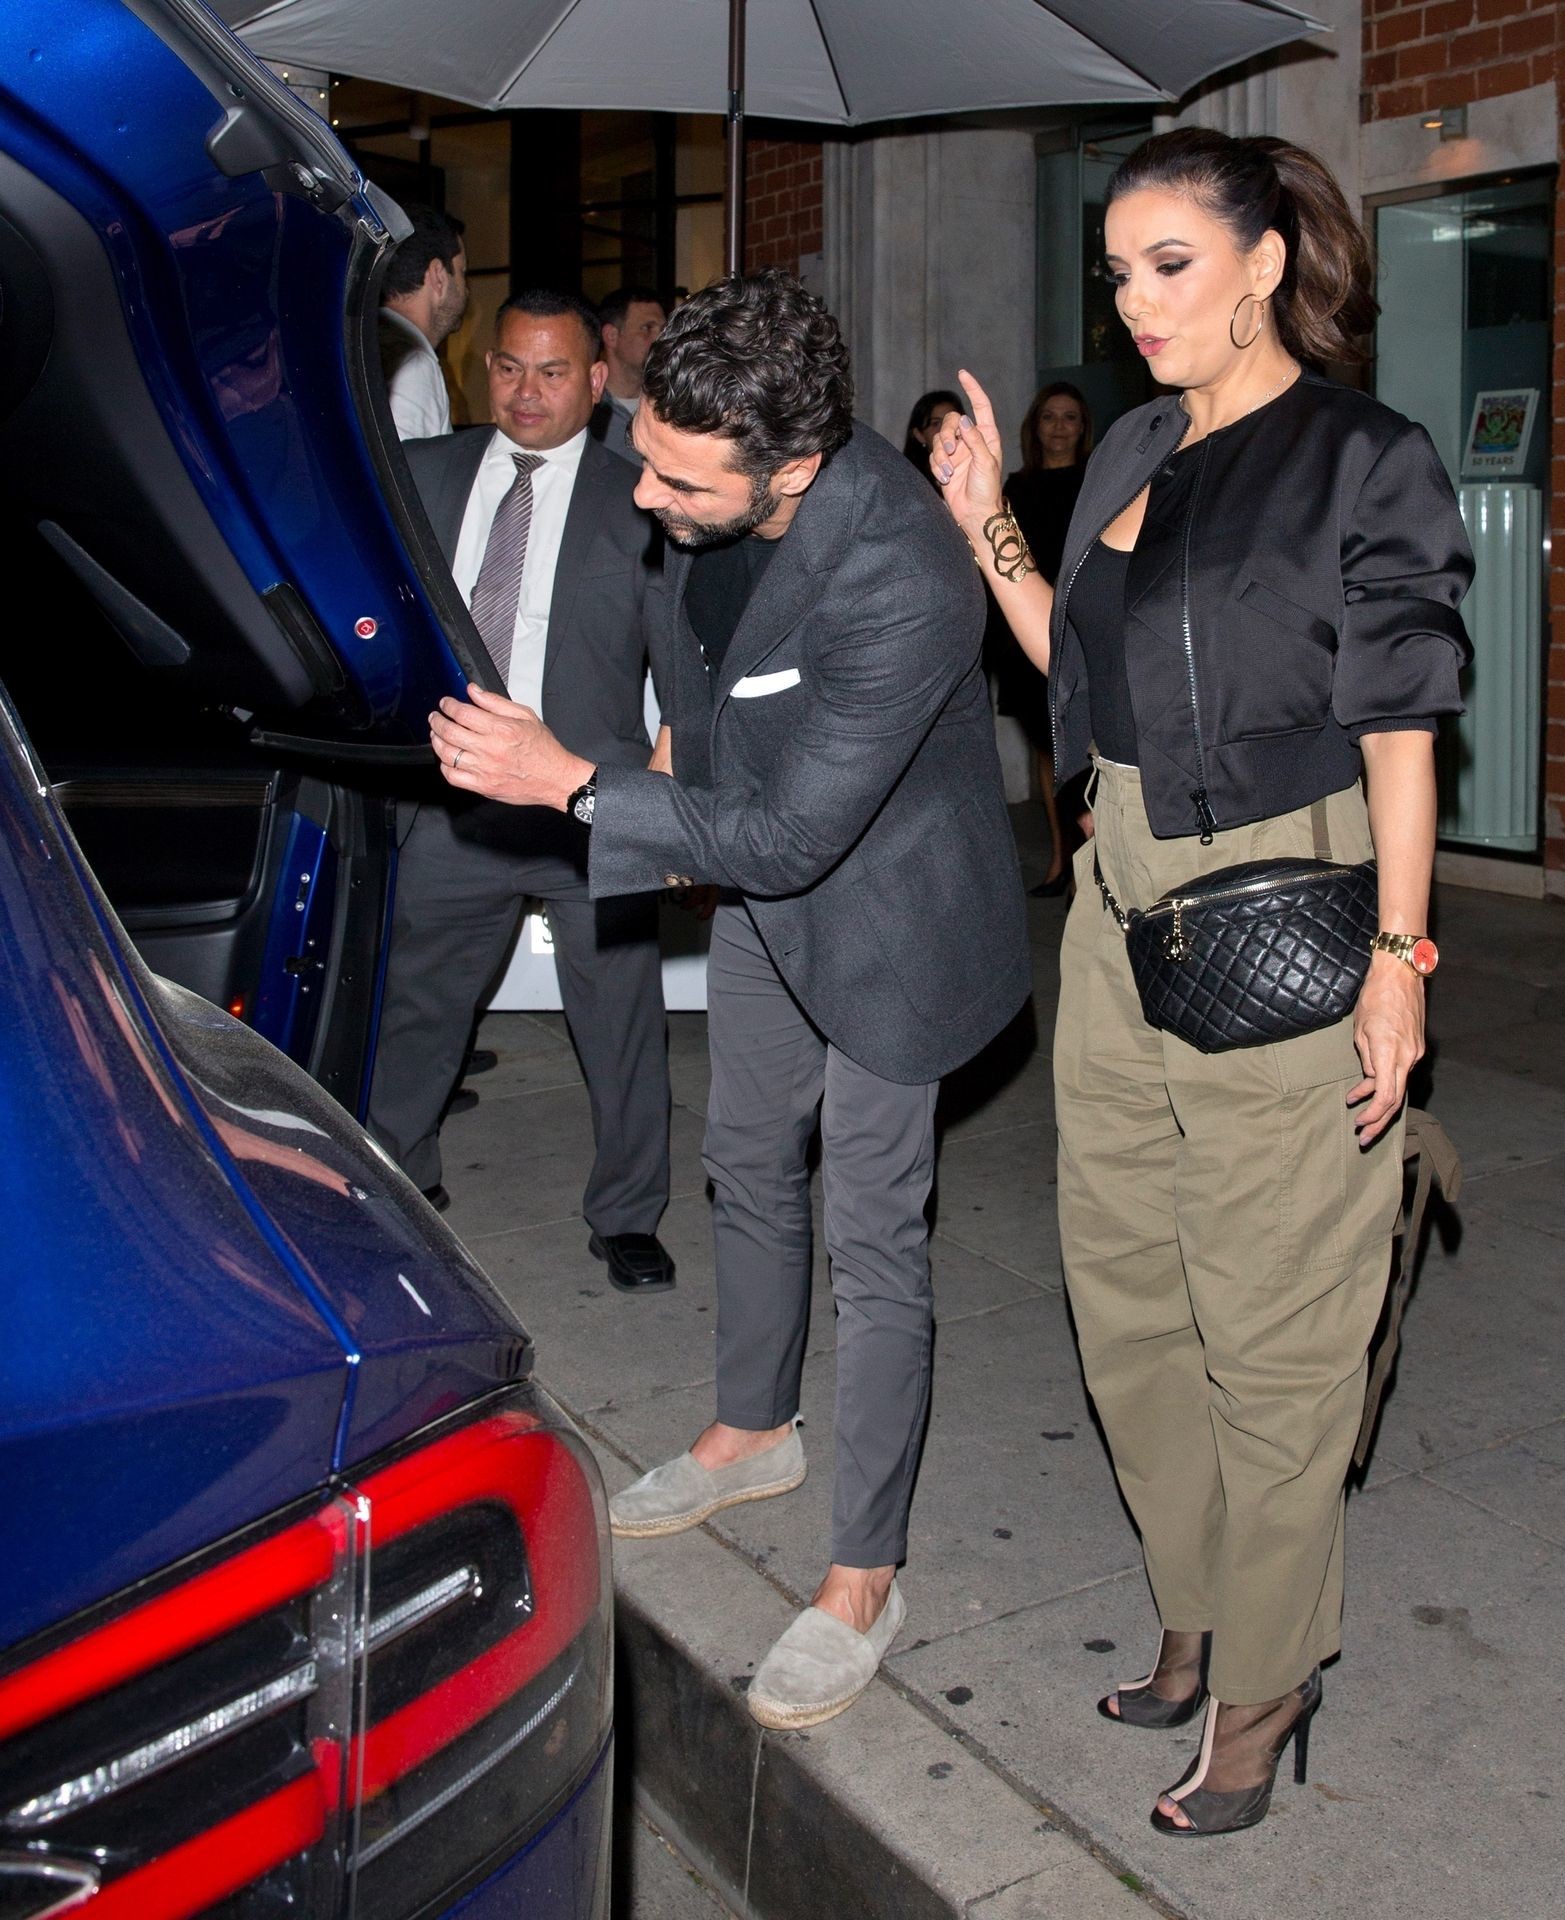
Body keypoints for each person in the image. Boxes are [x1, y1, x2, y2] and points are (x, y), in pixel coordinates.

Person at [931, 129, 1471, 1835]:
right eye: (1115, 272)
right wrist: (984, 525)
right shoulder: (1131, 449)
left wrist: (1398, 960)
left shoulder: (1359, 458)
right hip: (1117, 901)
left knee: (1276, 1317)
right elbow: (1074, 677)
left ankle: (1270, 1670)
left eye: (1168, 264)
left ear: (1262, 262)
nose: (1133, 302)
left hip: (1289, 890)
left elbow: (1401, 725)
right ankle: (1197, 1599)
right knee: (1126, 1290)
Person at [426, 270, 1031, 1730]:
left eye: (680, 480)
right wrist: (663, 758)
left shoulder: (903, 571)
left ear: (794, 470)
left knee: (873, 1234)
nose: (644, 494)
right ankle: (754, 1426)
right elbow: (707, 683)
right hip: (764, 882)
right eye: (644, 454)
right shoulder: (701, 491)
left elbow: (797, 835)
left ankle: (865, 1576)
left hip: (889, 918)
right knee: (745, 1155)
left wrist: (574, 783)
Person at [367, 288, 676, 1297]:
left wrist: (671, 805)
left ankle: (627, 1213)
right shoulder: (422, 474)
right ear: (482, 370)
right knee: (418, 1007)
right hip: (455, 798)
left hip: (591, 801)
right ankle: (398, 1185)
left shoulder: (644, 494)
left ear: (597, 378)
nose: (527, 391)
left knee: (619, 1019)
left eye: (552, 371)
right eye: (508, 367)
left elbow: (684, 663)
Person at [995, 383, 1095, 896]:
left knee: (1081, 749)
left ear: (1083, 428)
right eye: (1049, 417)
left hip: (1080, 630)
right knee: (1043, 746)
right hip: (1025, 632)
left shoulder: (1097, 482)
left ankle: (1087, 868)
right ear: (1035, 427)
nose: (1059, 427)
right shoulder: (1015, 487)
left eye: (1070, 417)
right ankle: (1060, 861)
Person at [378, 205, 468, 440]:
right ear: (438, 276)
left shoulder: (363, 342)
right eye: (462, 273)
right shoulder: (413, 364)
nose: (466, 291)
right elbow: (405, 461)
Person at [588, 285, 668, 464]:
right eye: (647, 328)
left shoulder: (670, 405)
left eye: (663, 330)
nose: (660, 340)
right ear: (611, 336)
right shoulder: (585, 410)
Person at [900, 389, 965, 486]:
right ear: (919, 435)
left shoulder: (975, 465)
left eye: (951, 421)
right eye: (935, 423)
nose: (945, 428)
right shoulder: (908, 479)